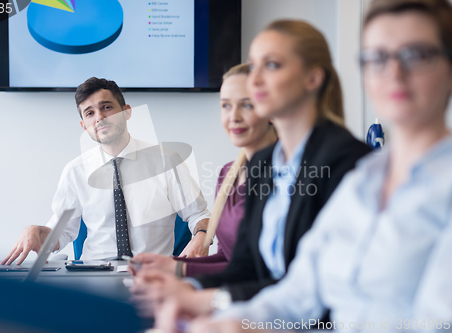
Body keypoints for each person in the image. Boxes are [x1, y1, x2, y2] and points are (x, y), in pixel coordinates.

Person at [159, 0, 452, 331]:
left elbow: (434, 322)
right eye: (376, 58)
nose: (393, 72)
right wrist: (216, 315)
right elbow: (296, 294)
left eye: (415, 54)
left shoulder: (347, 163)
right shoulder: (365, 178)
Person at [132, 19, 372, 316]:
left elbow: (308, 290)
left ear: (312, 79)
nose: (255, 79)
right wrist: (188, 289)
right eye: (254, 66)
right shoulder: (266, 161)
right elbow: (246, 267)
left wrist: (204, 300)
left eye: (271, 65)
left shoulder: (345, 161)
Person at [1, 77, 211, 265]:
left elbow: (199, 215)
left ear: (127, 111)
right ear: (84, 126)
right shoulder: (76, 171)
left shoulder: (166, 162)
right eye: (90, 113)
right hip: (93, 275)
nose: (99, 117)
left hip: (152, 274)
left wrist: (201, 235)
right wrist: (35, 231)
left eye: (107, 107)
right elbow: (61, 232)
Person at [129, 64, 277, 278]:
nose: (233, 116)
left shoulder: (288, 175)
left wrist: (178, 269)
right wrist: (166, 265)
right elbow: (228, 258)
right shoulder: (228, 173)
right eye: (226, 106)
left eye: (246, 105)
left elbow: (262, 269)